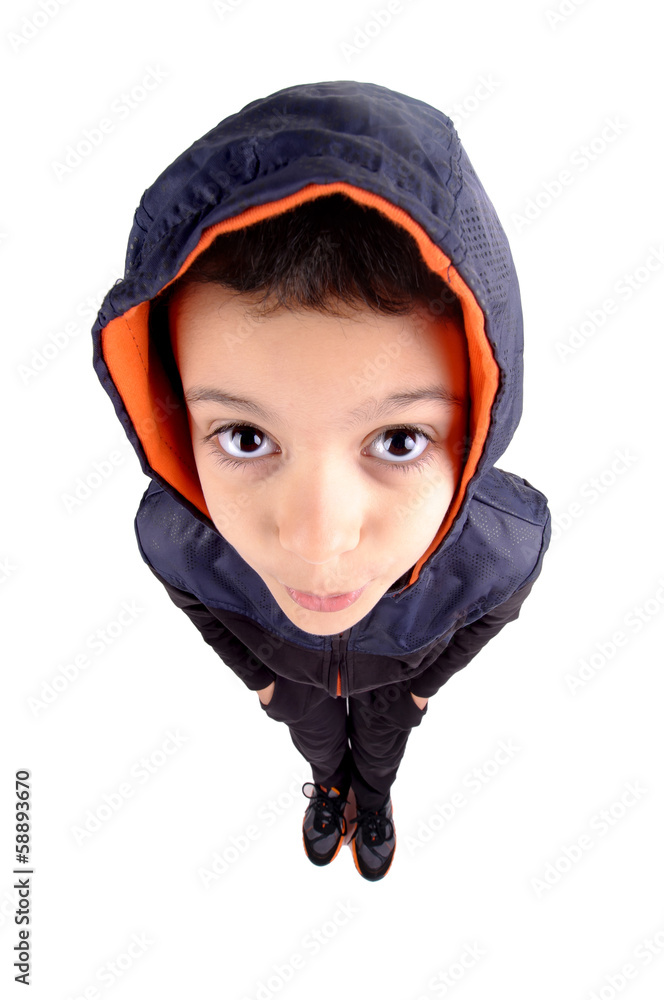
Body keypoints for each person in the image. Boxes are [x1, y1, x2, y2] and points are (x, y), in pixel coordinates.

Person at [91, 80, 551, 882]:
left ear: (479, 426)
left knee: (381, 749)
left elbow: (494, 610)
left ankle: (374, 800)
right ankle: (330, 792)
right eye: (245, 437)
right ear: (173, 416)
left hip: (394, 685)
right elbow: (197, 603)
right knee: (316, 744)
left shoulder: (504, 543)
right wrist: (265, 682)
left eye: (399, 439)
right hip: (294, 684)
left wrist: (420, 689)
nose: (315, 542)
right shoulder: (174, 535)